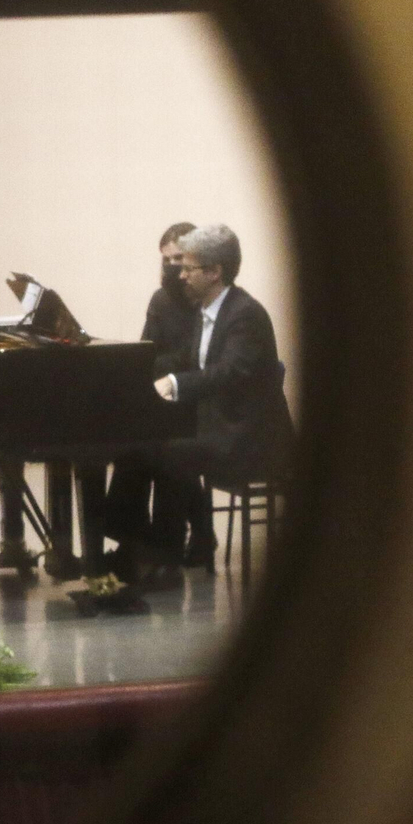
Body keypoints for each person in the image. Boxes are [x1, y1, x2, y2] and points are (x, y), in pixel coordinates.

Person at [111, 224, 292, 580]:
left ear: (214, 272)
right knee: (135, 447)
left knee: (169, 453)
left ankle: (165, 558)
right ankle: (134, 545)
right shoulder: (207, 310)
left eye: (188, 268)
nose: (180, 275)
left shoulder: (245, 314)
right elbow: (191, 363)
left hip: (248, 437)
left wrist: (176, 383)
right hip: (218, 425)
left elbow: (229, 372)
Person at [105, 224, 219, 570]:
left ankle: (173, 538)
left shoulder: (206, 300)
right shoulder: (161, 299)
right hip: (169, 391)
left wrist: (164, 367)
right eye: (166, 260)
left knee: (163, 444)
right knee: (133, 439)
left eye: (178, 260)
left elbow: (199, 358)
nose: (172, 268)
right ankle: (135, 537)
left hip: (197, 397)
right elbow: (147, 348)